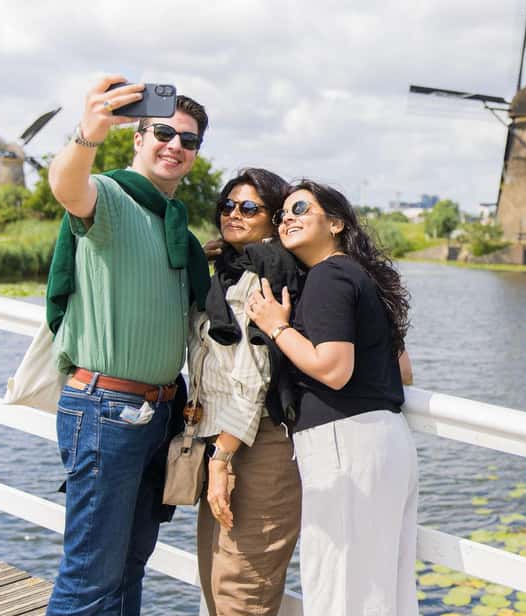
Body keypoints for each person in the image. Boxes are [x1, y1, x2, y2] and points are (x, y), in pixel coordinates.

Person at [44, 76, 211, 616]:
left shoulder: (177, 230)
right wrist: (88, 136)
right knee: (90, 577)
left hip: (158, 412)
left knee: (129, 567)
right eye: (164, 132)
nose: (175, 146)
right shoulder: (111, 199)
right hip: (106, 410)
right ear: (137, 137)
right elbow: (68, 187)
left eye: (189, 141)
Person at [246, 180, 418, 616]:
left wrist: (276, 325)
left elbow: (333, 369)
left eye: (301, 207)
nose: (287, 217)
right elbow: (405, 371)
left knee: (338, 589)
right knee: (383, 590)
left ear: (336, 223)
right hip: (385, 440)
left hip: (345, 442)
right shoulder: (363, 279)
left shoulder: (328, 275)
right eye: (282, 212)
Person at [189, 168, 302, 615]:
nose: (234, 213)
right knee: (215, 580)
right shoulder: (229, 269)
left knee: (241, 593)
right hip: (222, 438)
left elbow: (257, 371)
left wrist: (222, 458)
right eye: (228, 205)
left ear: (273, 216)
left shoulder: (269, 273)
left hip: (259, 442)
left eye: (250, 207)